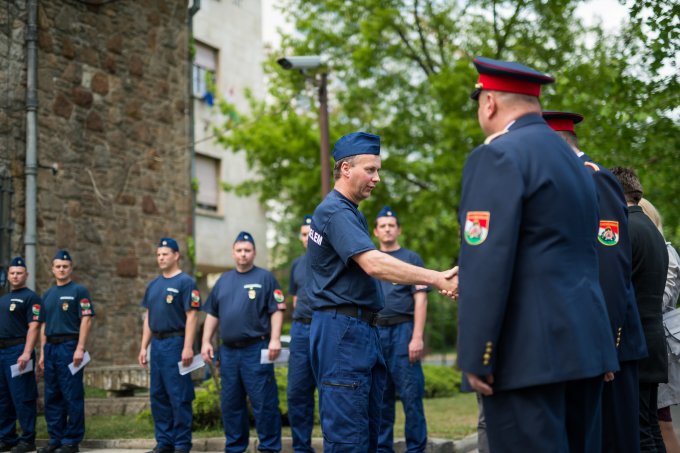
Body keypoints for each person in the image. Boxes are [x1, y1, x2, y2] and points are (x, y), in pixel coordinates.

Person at [456, 57, 619, 452]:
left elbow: (486, 260)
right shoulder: (577, 164)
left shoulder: (497, 155)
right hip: (585, 348)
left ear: (489, 103)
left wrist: (478, 353)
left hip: (527, 354)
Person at [305, 131, 457, 453]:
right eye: (370, 169)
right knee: (350, 440)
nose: (377, 178)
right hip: (343, 332)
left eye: (378, 169)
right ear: (345, 169)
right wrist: (437, 278)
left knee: (368, 433)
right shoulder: (336, 211)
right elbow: (374, 264)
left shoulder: (351, 212)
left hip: (357, 329)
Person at [543, 111, 648, 452]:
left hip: (607, 343)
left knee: (613, 440)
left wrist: (605, 346)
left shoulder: (595, 181)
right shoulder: (570, 182)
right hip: (588, 343)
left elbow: (609, 269)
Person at [201, 231, 285, 453]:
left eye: (247, 250)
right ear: (233, 253)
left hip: (256, 350)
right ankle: (236, 448)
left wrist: (275, 339)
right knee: (231, 404)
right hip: (228, 353)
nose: (243, 254)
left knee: (264, 403)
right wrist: (205, 341)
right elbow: (212, 314)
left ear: (254, 253)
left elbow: (277, 310)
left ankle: (268, 448)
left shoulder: (265, 278)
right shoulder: (223, 281)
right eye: (239, 250)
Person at [612, 167, 670, 453]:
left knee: (636, 432)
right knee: (649, 428)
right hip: (653, 337)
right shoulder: (651, 230)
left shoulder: (624, 228)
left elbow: (614, 286)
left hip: (630, 343)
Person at [372, 206, 429, 453]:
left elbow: (421, 299)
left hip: (403, 333)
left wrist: (417, 337)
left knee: (411, 397)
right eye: (382, 225)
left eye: (391, 225)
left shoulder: (411, 259)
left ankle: (416, 448)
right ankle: (383, 449)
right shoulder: (370, 260)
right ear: (376, 231)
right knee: (381, 400)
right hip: (375, 334)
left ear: (398, 229)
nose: (387, 229)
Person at [138, 238, 200, 453]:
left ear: (176, 255)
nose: (161, 258)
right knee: (158, 395)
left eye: (165, 254)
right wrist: (143, 346)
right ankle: (164, 442)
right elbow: (148, 318)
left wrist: (188, 346)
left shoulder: (186, 283)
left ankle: (182, 443)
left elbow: (192, 316)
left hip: (176, 343)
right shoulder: (153, 285)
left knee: (179, 394)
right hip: (157, 344)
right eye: (158, 254)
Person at [38, 250, 94, 453]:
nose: (61, 270)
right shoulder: (47, 295)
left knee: (72, 394)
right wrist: (43, 352)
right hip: (51, 348)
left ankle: (71, 441)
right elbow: (43, 324)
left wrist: (80, 348)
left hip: (70, 347)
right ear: (52, 269)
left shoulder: (79, 291)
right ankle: (56, 438)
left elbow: (86, 319)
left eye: (65, 266)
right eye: (58, 266)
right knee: (52, 395)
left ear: (70, 268)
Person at [639, 198, 680, 453]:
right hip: (657, 340)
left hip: (660, 342)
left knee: (661, 421)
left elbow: (660, 298)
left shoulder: (665, 252)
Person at [0, 258, 40, 453]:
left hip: (19, 352)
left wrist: (26, 352)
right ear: (8, 275)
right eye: (12, 273)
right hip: (2, 352)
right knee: (3, 397)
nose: (15, 276)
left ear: (26, 275)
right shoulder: (3, 299)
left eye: (19, 273)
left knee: (22, 396)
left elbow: (34, 326)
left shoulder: (30, 297)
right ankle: (7, 437)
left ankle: (28, 439)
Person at [287, 215, 317, 453]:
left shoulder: (332, 259)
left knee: (330, 390)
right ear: (301, 238)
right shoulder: (296, 264)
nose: (308, 238)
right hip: (300, 329)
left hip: (324, 326)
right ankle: (301, 448)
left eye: (312, 233)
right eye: (304, 234)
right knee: (297, 391)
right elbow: (296, 299)